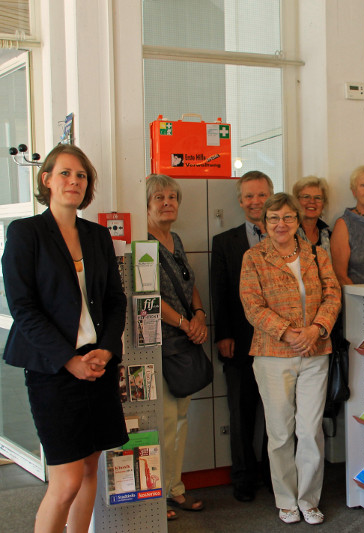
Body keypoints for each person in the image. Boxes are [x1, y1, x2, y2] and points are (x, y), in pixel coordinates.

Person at [2, 144, 128, 533]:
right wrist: (69, 360)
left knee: (91, 470)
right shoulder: (26, 233)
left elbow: (114, 300)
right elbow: (23, 309)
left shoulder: (96, 235)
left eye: (82, 176)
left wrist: (106, 349)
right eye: (66, 174)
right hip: (54, 369)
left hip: (97, 365)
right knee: (67, 480)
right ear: (47, 180)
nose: (74, 181)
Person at [240, 193, 341, 525]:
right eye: (273, 218)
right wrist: (287, 332)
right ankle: (286, 499)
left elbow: (332, 294)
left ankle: (309, 499)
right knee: (280, 432)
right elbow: (253, 305)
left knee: (310, 430)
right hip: (273, 355)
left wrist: (316, 329)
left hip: (315, 351)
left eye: (286, 217)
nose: (280, 224)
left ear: (297, 220)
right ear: (264, 223)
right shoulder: (253, 257)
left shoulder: (317, 253)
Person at [146, 174, 207, 519]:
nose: (167, 202)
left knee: (180, 419)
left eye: (172, 197)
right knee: (165, 422)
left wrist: (198, 315)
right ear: (147, 204)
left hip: (183, 341)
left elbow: (190, 285)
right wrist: (185, 324)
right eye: (159, 197)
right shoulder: (142, 243)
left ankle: (174, 488)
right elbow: (148, 296)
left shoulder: (175, 239)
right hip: (161, 344)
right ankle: (158, 495)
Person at [210, 170, 273, 503]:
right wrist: (223, 335)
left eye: (261, 195)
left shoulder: (284, 239)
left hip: (278, 344)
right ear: (239, 201)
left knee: (276, 414)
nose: (255, 202)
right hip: (239, 341)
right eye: (248, 196)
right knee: (241, 413)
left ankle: (271, 473)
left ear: (271, 197)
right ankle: (244, 477)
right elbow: (219, 292)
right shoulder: (225, 242)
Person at [294, 176, 332, 254]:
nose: (312, 201)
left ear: (323, 204)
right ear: (296, 201)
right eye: (306, 197)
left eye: (317, 198)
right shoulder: (288, 231)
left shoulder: (328, 235)